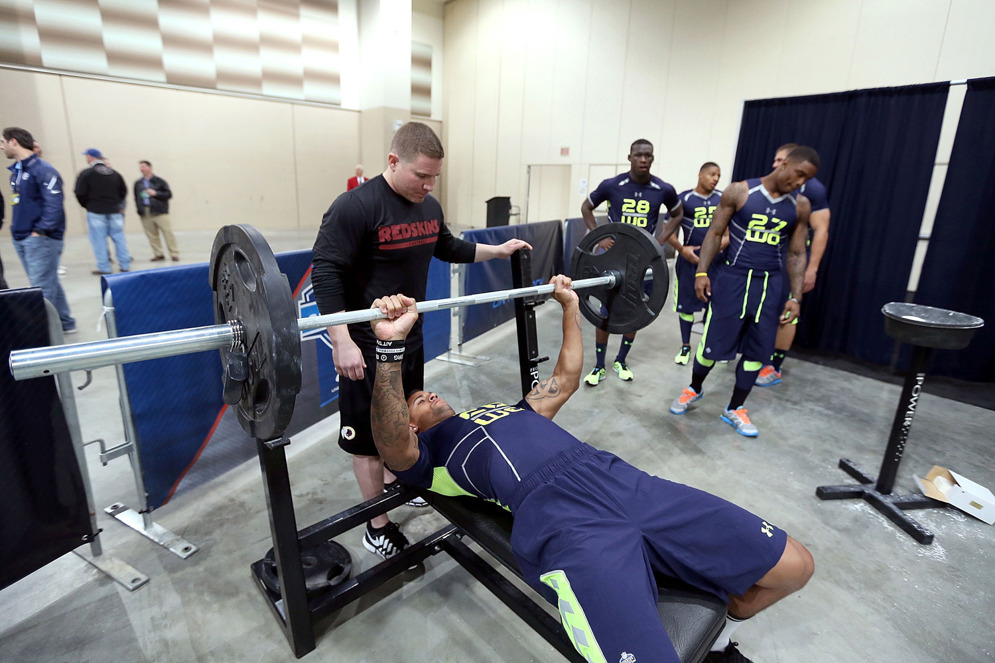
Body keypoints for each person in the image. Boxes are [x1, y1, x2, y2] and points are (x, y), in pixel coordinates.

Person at [367, 276, 814, 663]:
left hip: (621, 480)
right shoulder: (428, 458)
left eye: (426, 391)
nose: (427, 395)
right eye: (417, 400)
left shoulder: (510, 410)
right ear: (411, 425)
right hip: (563, 521)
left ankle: (718, 642)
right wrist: (389, 346)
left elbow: (566, 377)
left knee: (795, 566)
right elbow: (390, 443)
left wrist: (571, 307)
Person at [310, 121, 532, 560]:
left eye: (435, 178)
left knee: (402, 422)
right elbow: (325, 273)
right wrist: (341, 341)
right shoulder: (355, 207)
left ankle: (398, 481)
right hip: (365, 345)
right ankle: (377, 523)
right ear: (393, 161)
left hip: (407, 339)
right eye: (421, 175)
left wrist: (498, 249)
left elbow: (448, 246)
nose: (428, 185)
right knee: (368, 439)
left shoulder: (427, 207)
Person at [669, 146, 820, 437]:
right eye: (799, 174)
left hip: (770, 285)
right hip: (732, 279)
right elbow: (714, 233)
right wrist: (702, 271)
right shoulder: (740, 191)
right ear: (785, 164)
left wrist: (795, 296)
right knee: (711, 345)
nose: (800, 182)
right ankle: (695, 388)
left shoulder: (800, 206)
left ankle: (735, 407)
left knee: (756, 350)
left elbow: (797, 253)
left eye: (807, 179)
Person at [579, 139, 683, 385]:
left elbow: (678, 214)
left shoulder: (663, 189)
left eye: (648, 156)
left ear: (653, 158)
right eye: (638, 155)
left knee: (635, 311)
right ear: (630, 158)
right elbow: (586, 207)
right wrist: (600, 236)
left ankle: (621, 360)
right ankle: (598, 365)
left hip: (643, 262)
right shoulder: (613, 185)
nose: (643, 160)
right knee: (605, 311)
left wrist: (660, 241)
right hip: (614, 260)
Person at [755, 144, 831, 387]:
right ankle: (756, 355)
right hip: (768, 255)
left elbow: (821, 230)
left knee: (787, 312)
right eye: (775, 159)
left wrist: (812, 269)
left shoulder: (813, 189)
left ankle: (774, 367)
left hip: (793, 259)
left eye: (781, 160)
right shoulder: (770, 185)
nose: (776, 164)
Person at [2, 127, 77, 333]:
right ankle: (65, 323)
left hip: (40, 239)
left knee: (41, 288)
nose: (1, 146)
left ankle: (40, 335)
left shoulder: (43, 170)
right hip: (23, 237)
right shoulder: (17, 172)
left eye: (3, 142)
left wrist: (40, 231)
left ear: (14, 142)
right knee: (48, 281)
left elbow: (54, 204)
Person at [666, 162, 725, 365]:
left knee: (714, 304)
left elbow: (730, 232)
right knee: (686, 306)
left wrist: (714, 250)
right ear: (700, 174)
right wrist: (682, 249)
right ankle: (685, 347)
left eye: (718, 175)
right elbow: (669, 229)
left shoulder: (722, 199)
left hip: (717, 262)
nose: (715, 178)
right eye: (711, 174)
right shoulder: (684, 199)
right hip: (689, 260)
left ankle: (708, 347)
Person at [74, 148, 130, 275]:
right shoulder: (114, 173)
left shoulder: (87, 173)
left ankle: (104, 267)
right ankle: (125, 264)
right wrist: (116, 204)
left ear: (90, 157)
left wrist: (87, 205)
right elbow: (123, 191)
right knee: (119, 238)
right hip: (115, 211)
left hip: (96, 211)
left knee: (99, 240)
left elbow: (79, 192)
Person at [134, 160, 178, 262]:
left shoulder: (159, 181)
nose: (141, 169)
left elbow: (168, 194)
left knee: (167, 232)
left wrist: (156, 193)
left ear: (150, 167)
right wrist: (139, 209)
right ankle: (158, 253)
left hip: (159, 211)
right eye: (140, 167)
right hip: (145, 210)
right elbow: (136, 197)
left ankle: (174, 253)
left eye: (143, 166)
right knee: (152, 234)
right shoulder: (138, 183)